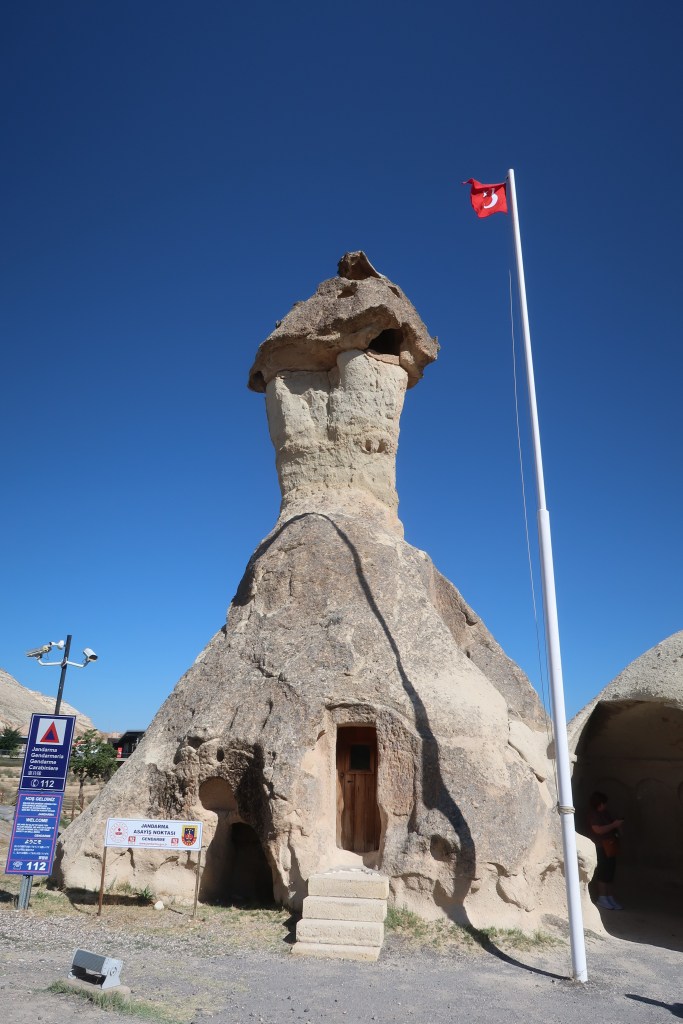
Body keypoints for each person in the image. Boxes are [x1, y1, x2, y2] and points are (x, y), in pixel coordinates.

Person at [589, 790, 624, 910]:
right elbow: (597, 830)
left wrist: (617, 826)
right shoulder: (594, 815)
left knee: (610, 872)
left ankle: (609, 897)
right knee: (603, 873)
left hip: (610, 846)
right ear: (600, 803)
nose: (605, 805)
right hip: (601, 846)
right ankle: (602, 898)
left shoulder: (605, 813)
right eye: (604, 803)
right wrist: (614, 825)